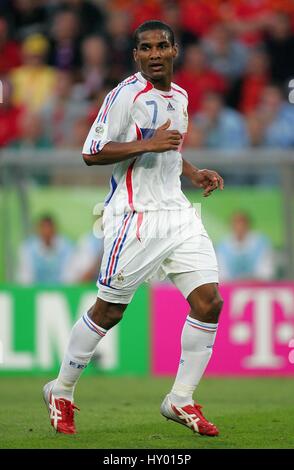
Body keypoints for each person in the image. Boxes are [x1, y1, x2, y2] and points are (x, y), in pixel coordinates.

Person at [43, 20, 224, 437]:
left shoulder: (179, 95)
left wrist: (193, 172)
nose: (155, 54)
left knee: (209, 303)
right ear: (136, 55)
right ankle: (62, 390)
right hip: (135, 217)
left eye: (162, 46)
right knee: (110, 310)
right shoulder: (125, 95)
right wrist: (146, 143)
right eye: (146, 48)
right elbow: (91, 153)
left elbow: (169, 150)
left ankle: (180, 399)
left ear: (175, 50)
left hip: (177, 213)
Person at [217, 211, 275, 281]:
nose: (239, 227)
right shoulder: (223, 246)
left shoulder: (262, 243)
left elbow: (266, 272)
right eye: (236, 223)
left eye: (242, 223)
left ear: (248, 224)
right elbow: (222, 275)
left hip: (258, 287)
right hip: (231, 288)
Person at [17, 215, 73, 284]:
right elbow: (25, 277)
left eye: (49, 228)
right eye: (44, 228)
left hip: (61, 291)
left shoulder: (67, 247)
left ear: (55, 229)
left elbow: (69, 276)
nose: (47, 232)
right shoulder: (27, 248)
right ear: (38, 230)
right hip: (33, 291)